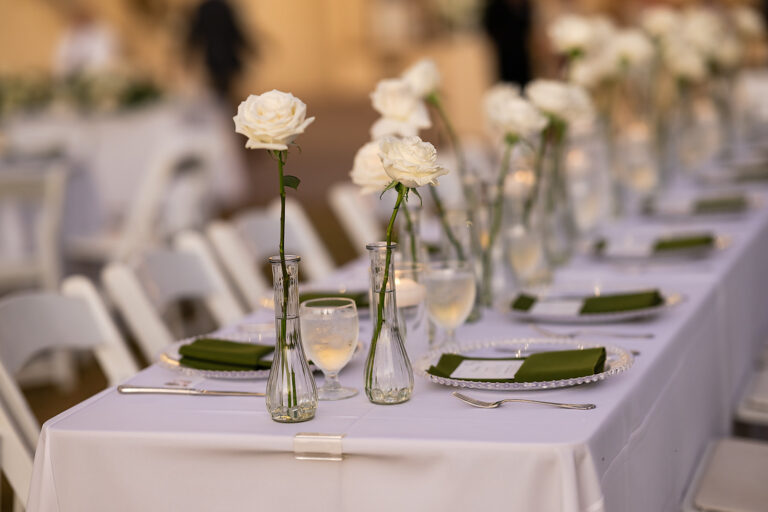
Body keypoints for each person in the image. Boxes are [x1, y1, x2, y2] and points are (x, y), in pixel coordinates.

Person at [186, 0, 254, 104]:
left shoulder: (205, 8)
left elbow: (195, 33)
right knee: (223, 90)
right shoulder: (223, 6)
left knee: (220, 90)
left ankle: (222, 109)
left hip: (215, 57)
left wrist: (188, 53)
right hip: (225, 57)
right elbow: (236, 31)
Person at [54, 4, 118, 78]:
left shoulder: (103, 32)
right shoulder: (68, 35)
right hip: (73, 78)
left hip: (98, 76)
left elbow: (106, 58)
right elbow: (61, 60)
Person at [482, 0, 533, 86]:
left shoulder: (523, 4)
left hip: (522, 53)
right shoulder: (496, 6)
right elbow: (491, 28)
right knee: (507, 84)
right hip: (505, 54)